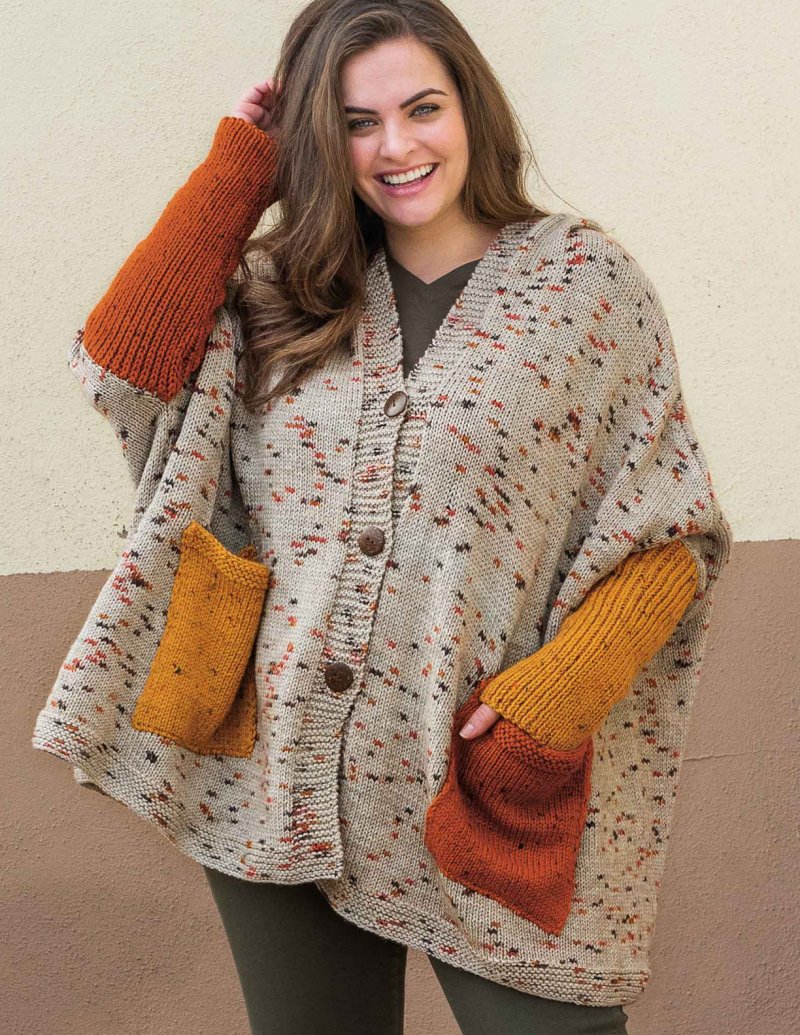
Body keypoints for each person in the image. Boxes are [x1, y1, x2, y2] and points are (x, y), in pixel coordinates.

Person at [32, 2, 732, 1033]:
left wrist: (557, 696)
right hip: (280, 772)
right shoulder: (276, 288)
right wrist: (241, 166)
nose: (397, 146)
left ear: (470, 108)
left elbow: (672, 535)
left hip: (477, 779)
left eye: (421, 108)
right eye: (357, 123)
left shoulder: (582, 286)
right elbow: (120, 373)